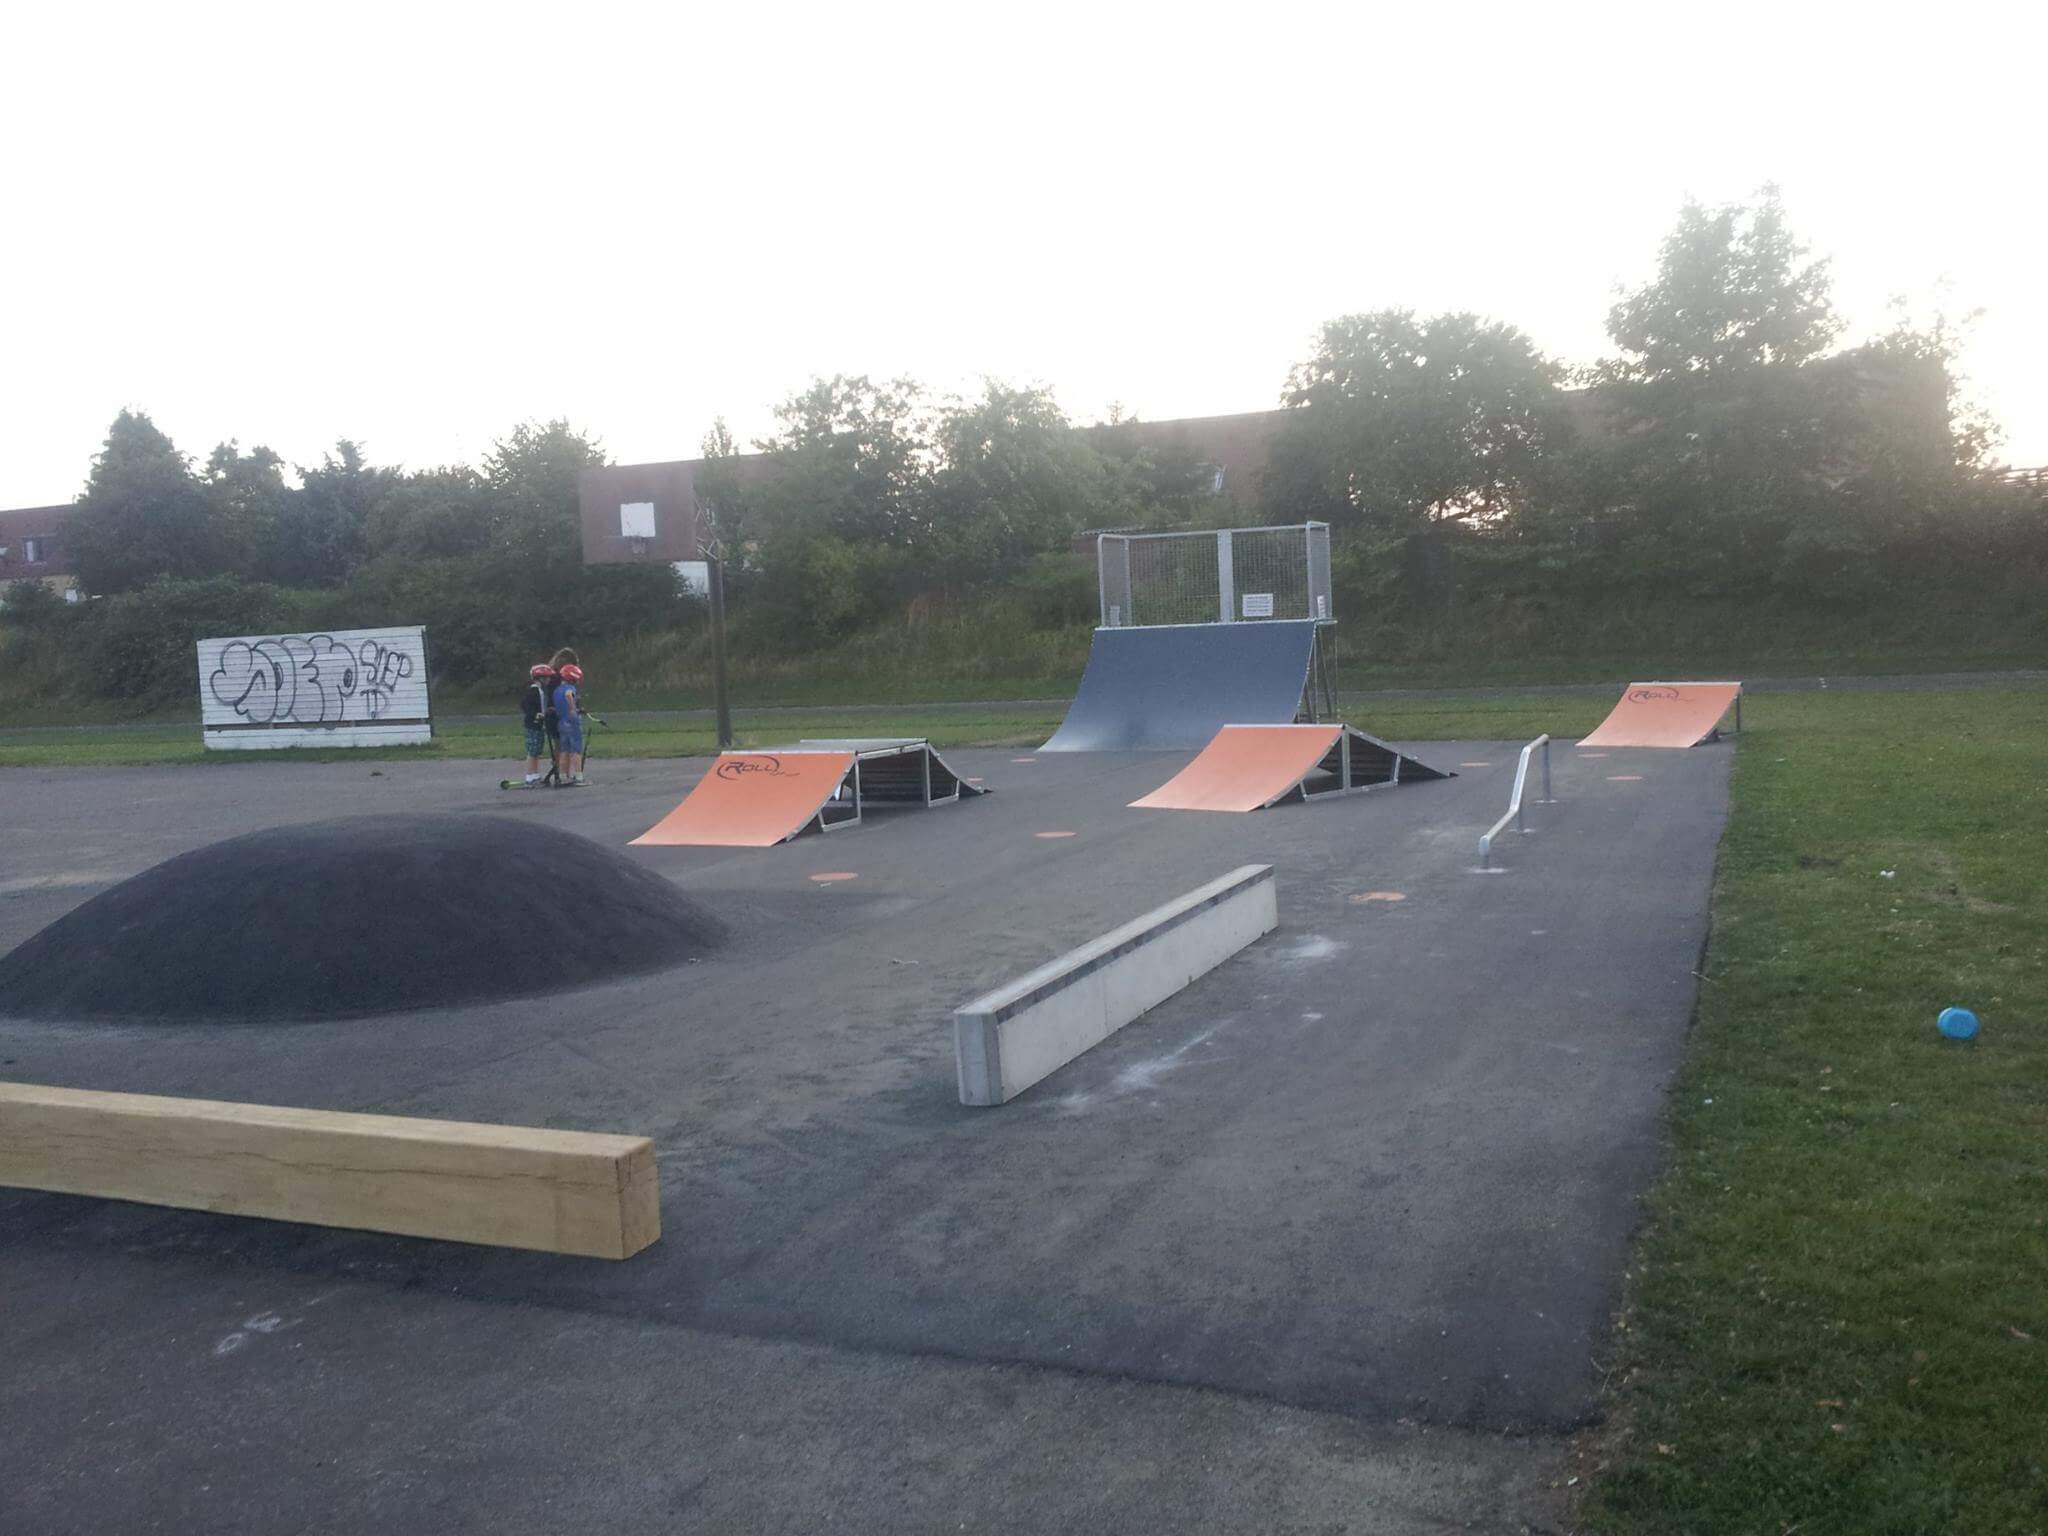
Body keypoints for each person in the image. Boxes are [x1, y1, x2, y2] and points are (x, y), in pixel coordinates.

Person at [517, 663, 557, 786]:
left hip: (539, 725)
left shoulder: (541, 691)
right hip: (533, 725)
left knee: (537, 750)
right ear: (540, 678)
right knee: (532, 751)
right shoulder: (533, 691)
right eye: (547, 677)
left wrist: (547, 711)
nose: (549, 680)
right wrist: (536, 714)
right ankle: (530, 776)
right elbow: (525, 705)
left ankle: (535, 774)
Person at [553, 662, 586, 786]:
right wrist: (573, 709)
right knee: (576, 751)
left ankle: (562, 776)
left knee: (564, 751)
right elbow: (568, 695)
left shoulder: (556, 690)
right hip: (572, 722)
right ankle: (578, 776)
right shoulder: (570, 689)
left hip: (561, 722)